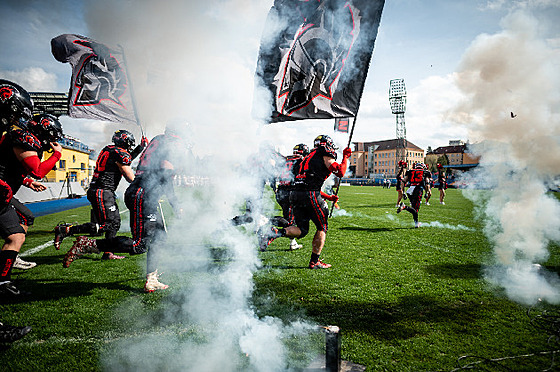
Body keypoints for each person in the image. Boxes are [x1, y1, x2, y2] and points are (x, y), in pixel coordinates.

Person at [63, 126, 184, 292]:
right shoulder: (170, 145)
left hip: (143, 193)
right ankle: (88, 244)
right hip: (143, 195)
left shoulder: (158, 140)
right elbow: (165, 175)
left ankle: (152, 278)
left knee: (160, 235)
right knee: (139, 245)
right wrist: (176, 204)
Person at [0, 99, 64, 297]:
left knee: (21, 226)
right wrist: (57, 155)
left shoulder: (20, 136)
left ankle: (7, 271)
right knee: (16, 233)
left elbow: (13, 168)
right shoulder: (23, 137)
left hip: (3, 192)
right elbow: (37, 170)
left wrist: (27, 183)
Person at [258, 135, 350, 269]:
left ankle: (275, 233)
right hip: (309, 193)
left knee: (302, 230)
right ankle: (315, 261)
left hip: (295, 194)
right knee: (322, 227)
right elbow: (340, 172)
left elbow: (304, 183)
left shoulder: (306, 158)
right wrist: (346, 157)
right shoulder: (323, 152)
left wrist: (328, 197)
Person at [53, 129, 148, 259]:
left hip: (101, 191)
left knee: (114, 223)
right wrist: (144, 185)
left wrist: (140, 148)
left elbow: (126, 158)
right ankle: (66, 230)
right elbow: (129, 175)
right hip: (102, 191)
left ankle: (108, 252)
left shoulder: (110, 149)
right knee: (108, 224)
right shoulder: (119, 153)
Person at [273, 143, 309, 250]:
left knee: (292, 218)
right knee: (290, 221)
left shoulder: (285, 159)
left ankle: (293, 243)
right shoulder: (300, 161)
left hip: (281, 190)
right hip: (290, 192)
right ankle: (265, 221)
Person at [396, 162, 431, 228]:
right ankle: (404, 207)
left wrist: (403, 192)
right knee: (415, 210)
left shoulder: (410, 171)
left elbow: (403, 181)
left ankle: (416, 223)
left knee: (413, 209)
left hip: (410, 190)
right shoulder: (424, 172)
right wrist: (427, 192)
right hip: (418, 190)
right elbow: (427, 183)